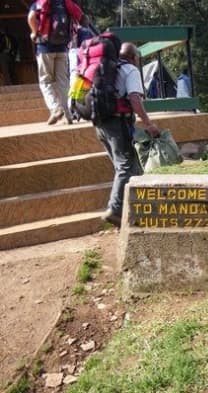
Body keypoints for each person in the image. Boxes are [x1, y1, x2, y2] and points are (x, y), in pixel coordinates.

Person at [96, 42, 159, 227]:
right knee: (125, 167)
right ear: (133, 57)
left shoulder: (106, 68)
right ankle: (115, 211)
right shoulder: (130, 70)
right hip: (118, 124)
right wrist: (148, 124)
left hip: (101, 124)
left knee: (128, 167)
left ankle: (137, 210)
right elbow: (134, 99)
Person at [28, 0, 84, 125]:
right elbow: (81, 17)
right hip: (63, 48)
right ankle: (68, 114)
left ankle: (55, 108)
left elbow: (31, 17)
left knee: (45, 81)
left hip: (45, 48)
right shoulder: (66, 3)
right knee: (63, 82)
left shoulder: (41, 2)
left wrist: (34, 32)